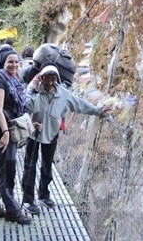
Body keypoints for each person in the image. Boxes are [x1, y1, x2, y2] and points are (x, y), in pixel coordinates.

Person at [22, 63, 111, 215]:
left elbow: (80, 104)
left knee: (47, 166)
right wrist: (31, 89)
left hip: (51, 134)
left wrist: (97, 111)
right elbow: (24, 106)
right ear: (41, 78)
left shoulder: (63, 94)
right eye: (47, 78)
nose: (50, 82)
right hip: (34, 134)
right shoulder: (36, 92)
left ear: (56, 79)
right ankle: (28, 200)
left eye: (53, 78)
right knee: (29, 167)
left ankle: (44, 194)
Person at [0, 51, 33, 225]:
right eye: (9, 62)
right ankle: (12, 210)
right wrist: (5, 133)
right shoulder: (0, 81)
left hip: (9, 128)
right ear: (2, 63)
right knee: (7, 169)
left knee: (0, 166)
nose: (13, 65)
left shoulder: (14, 79)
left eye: (16, 62)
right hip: (3, 131)